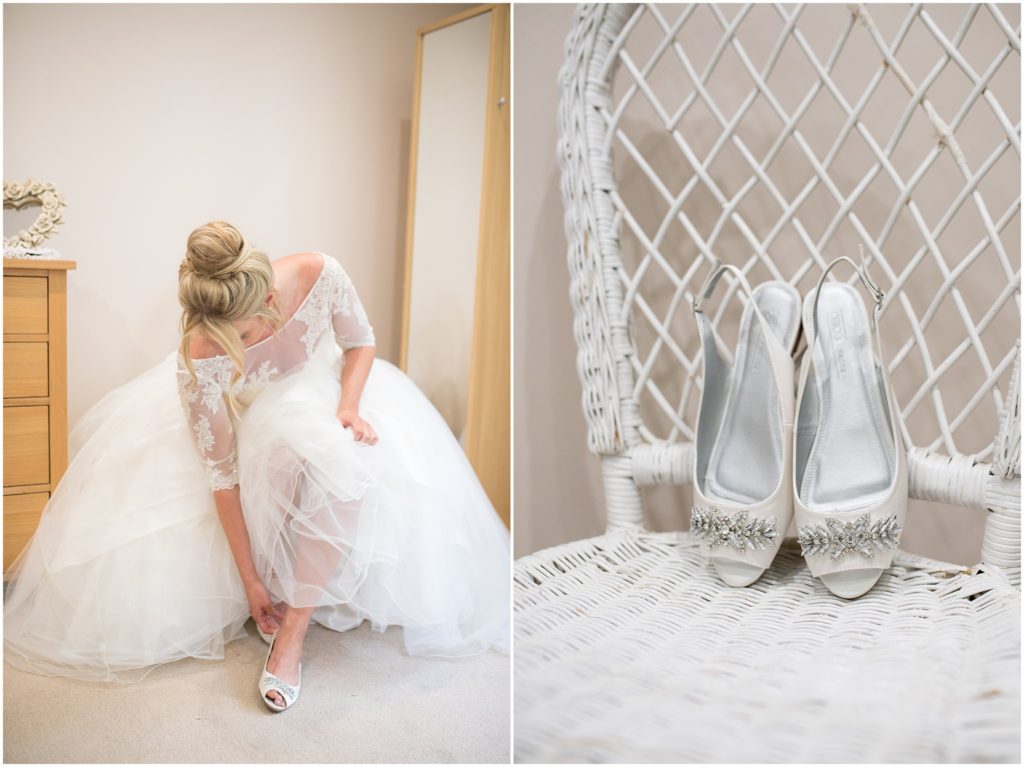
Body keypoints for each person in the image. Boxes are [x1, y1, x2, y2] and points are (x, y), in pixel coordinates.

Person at [3, 220, 510, 710]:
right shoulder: (203, 355)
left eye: (243, 338)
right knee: (285, 450)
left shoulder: (320, 274)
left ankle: (292, 634)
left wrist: (349, 406)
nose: (236, 349)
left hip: (319, 394)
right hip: (243, 413)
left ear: (269, 300)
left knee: (344, 465)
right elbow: (222, 477)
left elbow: (360, 342)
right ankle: (277, 578)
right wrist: (250, 582)